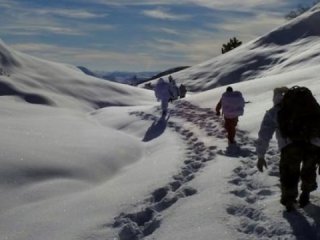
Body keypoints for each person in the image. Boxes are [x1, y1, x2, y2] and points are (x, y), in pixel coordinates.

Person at [256, 87, 320, 211]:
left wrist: (260, 155)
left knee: (289, 174)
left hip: (290, 147)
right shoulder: (309, 105)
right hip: (313, 145)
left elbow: (264, 134)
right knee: (309, 170)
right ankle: (305, 194)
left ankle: (290, 200)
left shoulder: (275, 111)